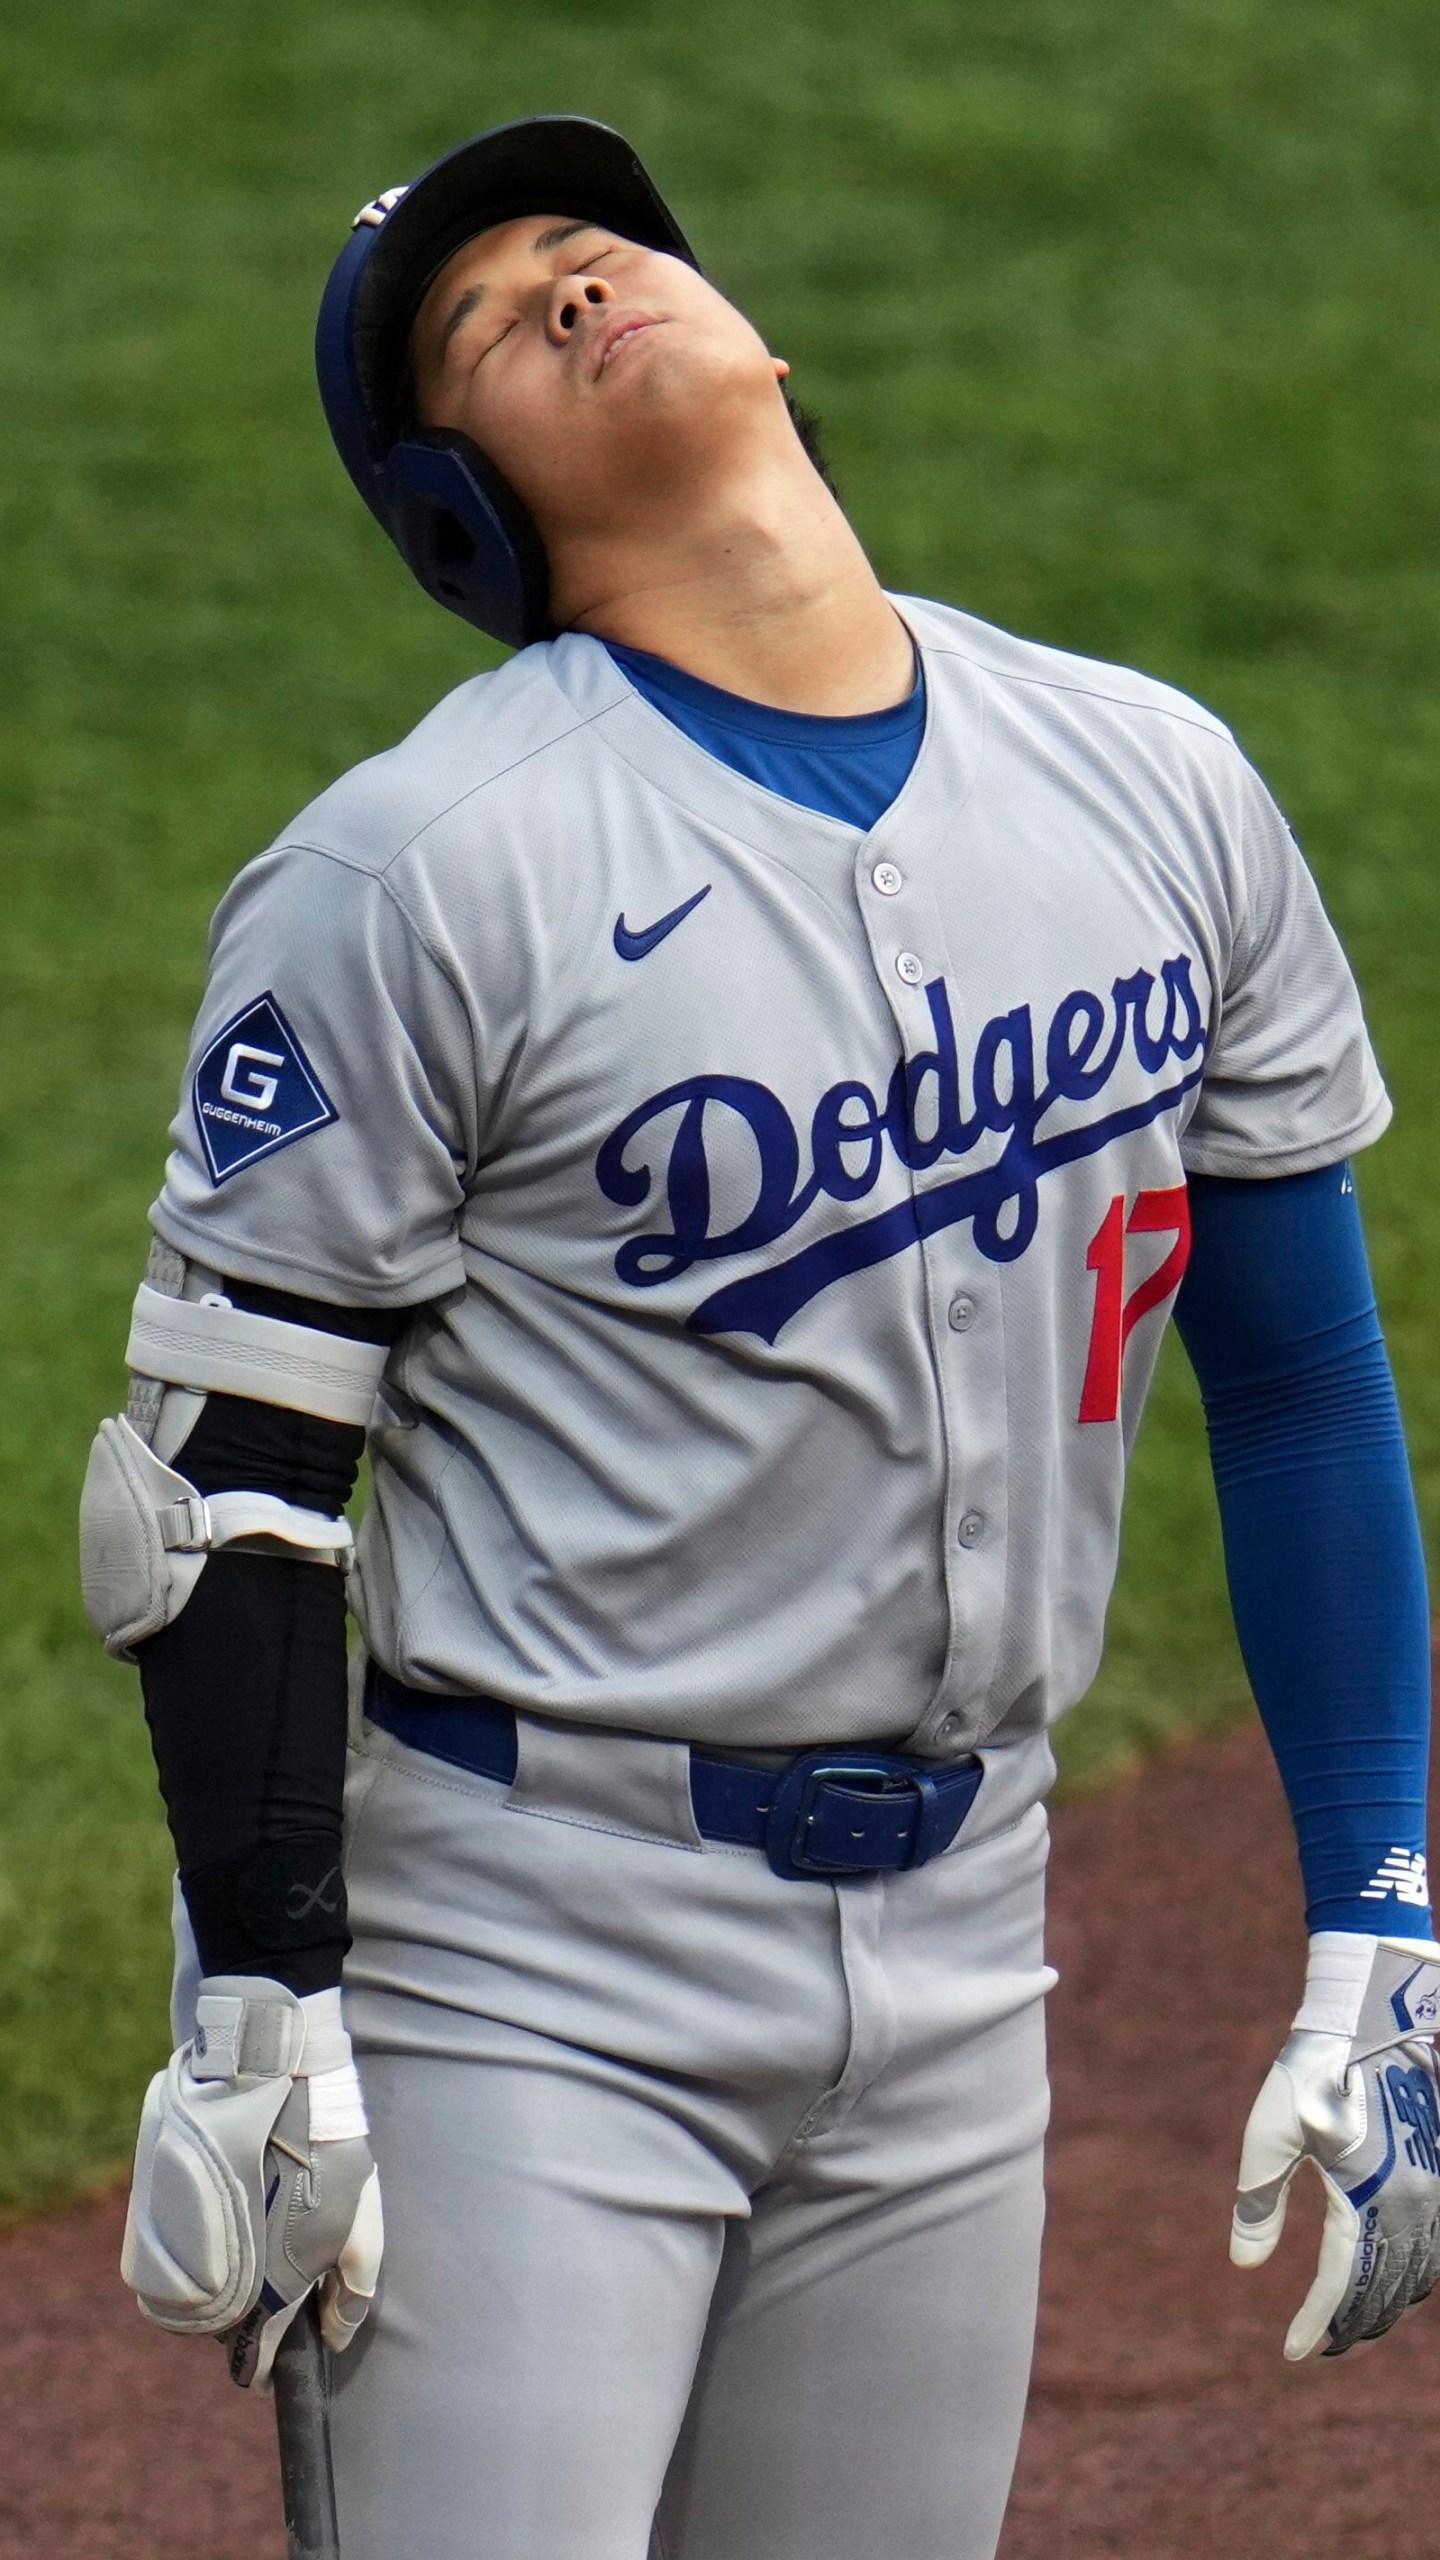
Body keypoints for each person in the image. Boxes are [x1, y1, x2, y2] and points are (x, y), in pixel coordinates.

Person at [81, 116, 1440, 2560]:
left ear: (769, 341)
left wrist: (1385, 1902)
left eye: (594, 243)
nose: (571, 281)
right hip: (522, 1952)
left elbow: (1310, 1383)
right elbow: (226, 1491)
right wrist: (265, 1994)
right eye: (490, 320)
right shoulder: (419, 871)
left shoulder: (1156, 782)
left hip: (959, 1943)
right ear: (458, 523)